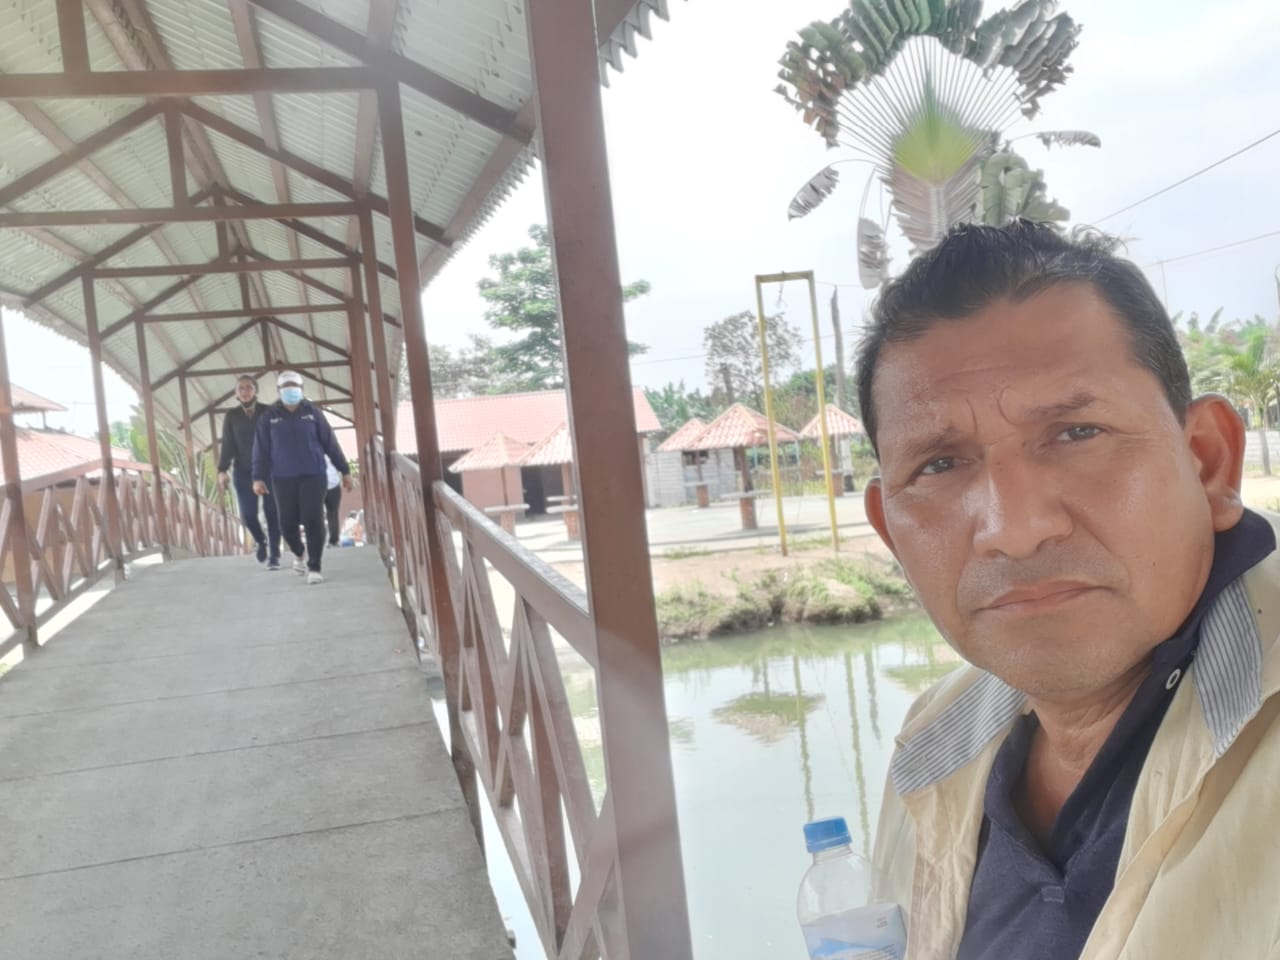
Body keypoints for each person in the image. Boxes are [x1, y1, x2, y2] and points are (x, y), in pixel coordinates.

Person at [858, 221, 1280, 959]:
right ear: (893, 532)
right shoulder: (933, 741)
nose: (1015, 529)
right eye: (939, 465)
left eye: (1078, 433)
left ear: (1207, 462)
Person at [252, 370, 352, 585]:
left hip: (314, 475)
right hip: (282, 477)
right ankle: (299, 552)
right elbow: (260, 449)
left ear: (301, 389)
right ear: (279, 391)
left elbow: (330, 443)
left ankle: (314, 566)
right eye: (286, 387)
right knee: (286, 523)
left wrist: (344, 470)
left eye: (294, 386)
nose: (291, 390)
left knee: (312, 518)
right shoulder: (269, 417)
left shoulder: (313, 413)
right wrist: (258, 477)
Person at [215, 374, 281, 568]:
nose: (245, 391)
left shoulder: (269, 412)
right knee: (248, 515)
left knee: (272, 512)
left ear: (255, 391)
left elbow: (279, 439)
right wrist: (222, 469)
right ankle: (261, 540)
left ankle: (275, 555)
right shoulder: (232, 416)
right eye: (241, 388)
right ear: (236, 393)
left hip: (269, 470)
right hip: (243, 472)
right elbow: (228, 444)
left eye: (249, 387)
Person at [324, 457, 343, 547]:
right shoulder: (332, 452)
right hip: (334, 484)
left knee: (317, 514)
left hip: (318, 484)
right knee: (333, 514)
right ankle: (334, 540)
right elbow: (340, 464)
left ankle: (319, 539)